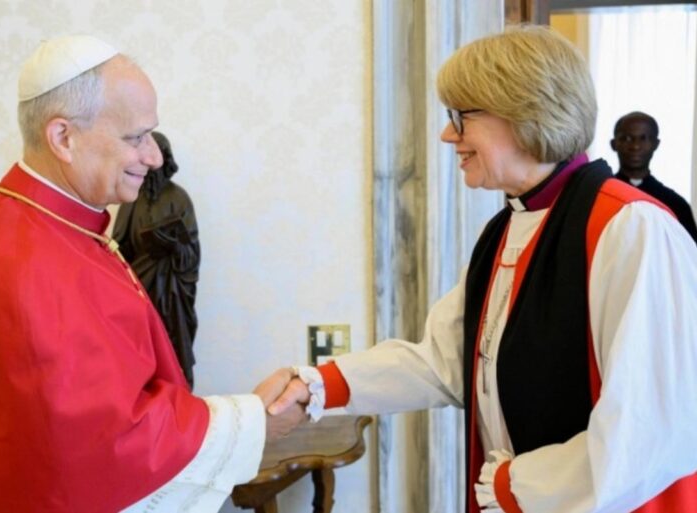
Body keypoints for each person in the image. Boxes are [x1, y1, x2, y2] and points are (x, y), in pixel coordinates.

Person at [257, 25, 697, 513]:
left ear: (524, 114)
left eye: (461, 117)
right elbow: (445, 359)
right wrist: (317, 385)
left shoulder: (631, 228)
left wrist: (514, 485)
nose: (448, 135)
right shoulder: (507, 226)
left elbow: (654, 423)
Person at [0, 35, 303, 513]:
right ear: (63, 137)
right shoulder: (28, 260)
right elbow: (104, 449)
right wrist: (254, 422)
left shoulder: (44, 222)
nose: (152, 157)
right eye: (135, 138)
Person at [113, 131, 200, 388]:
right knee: (138, 349)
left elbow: (191, 254)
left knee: (174, 349)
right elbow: (117, 248)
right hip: (139, 287)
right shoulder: (131, 199)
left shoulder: (179, 198)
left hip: (172, 293)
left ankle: (180, 401)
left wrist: (173, 246)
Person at [610, 111, 697, 243]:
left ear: (656, 144)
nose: (635, 146)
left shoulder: (675, 204)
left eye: (644, 138)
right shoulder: (600, 196)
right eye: (627, 138)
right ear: (614, 144)